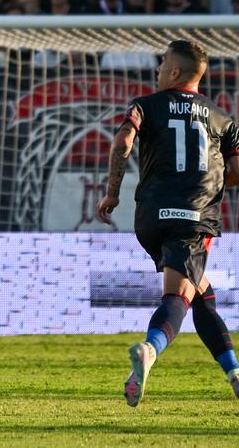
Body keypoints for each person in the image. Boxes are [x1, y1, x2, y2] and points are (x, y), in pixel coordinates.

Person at [97, 40, 239, 406]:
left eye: (163, 64)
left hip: (149, 217)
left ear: (175, 72)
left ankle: (234, 372)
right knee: (178, 295)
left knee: (202, 294)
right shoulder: (223, 120)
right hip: (193, 216)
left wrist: (112, 192)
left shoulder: (145, 105)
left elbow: (122, 142)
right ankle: (150, 349)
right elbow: (236, 172)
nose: (159, 69)